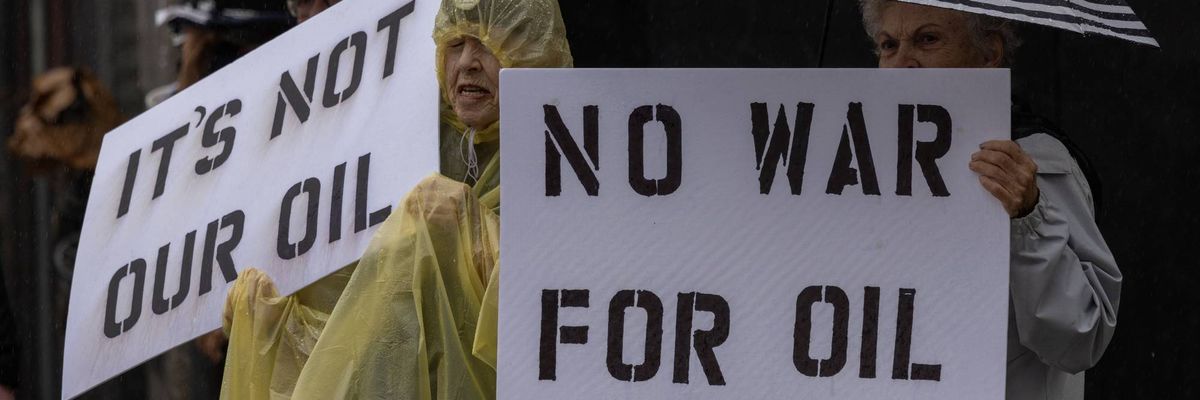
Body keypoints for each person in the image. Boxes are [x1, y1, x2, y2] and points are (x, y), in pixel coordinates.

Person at [220, 0, 572, 398]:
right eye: (456, 44)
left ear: (534, 53)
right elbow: (367, 344)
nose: (468, 63)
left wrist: (478, 237)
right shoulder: (403, 149)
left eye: (488, 44)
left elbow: (575, 324)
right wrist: (274, 327)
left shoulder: (572, 158)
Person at [857, 2, 1122, 399]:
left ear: (989, 52)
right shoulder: (861, 164)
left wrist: (1029, 217)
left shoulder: (1035, 162)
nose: (901, 64)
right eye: (888, 45)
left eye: (927, 40)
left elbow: (1080, 337)